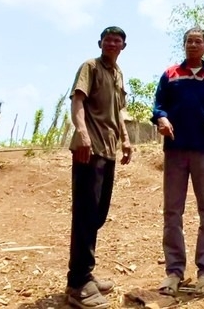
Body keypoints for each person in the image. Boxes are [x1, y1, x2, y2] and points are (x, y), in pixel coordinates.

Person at [151, 27, 204, 297]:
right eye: (189, 41)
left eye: (198, 41)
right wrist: (161, 118)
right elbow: (158, 105)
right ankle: (174, 272)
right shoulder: (171, 75)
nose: (193, 45)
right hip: (175, 151)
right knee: (172, 213)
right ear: (184, 45)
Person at [66, 26, 134, 309]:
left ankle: (87, 272)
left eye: (117, 40)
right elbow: (77, 100)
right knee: (84, 214)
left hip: (108, 150)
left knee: (97, 214)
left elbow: (118, 111)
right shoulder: (90, 67)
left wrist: (126, 139)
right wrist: (81, 132)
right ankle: (77, 283)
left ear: (123, 46)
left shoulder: (117, 74)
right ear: (101, 43)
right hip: (88, 149)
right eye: (108, 39)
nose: (112, 43)